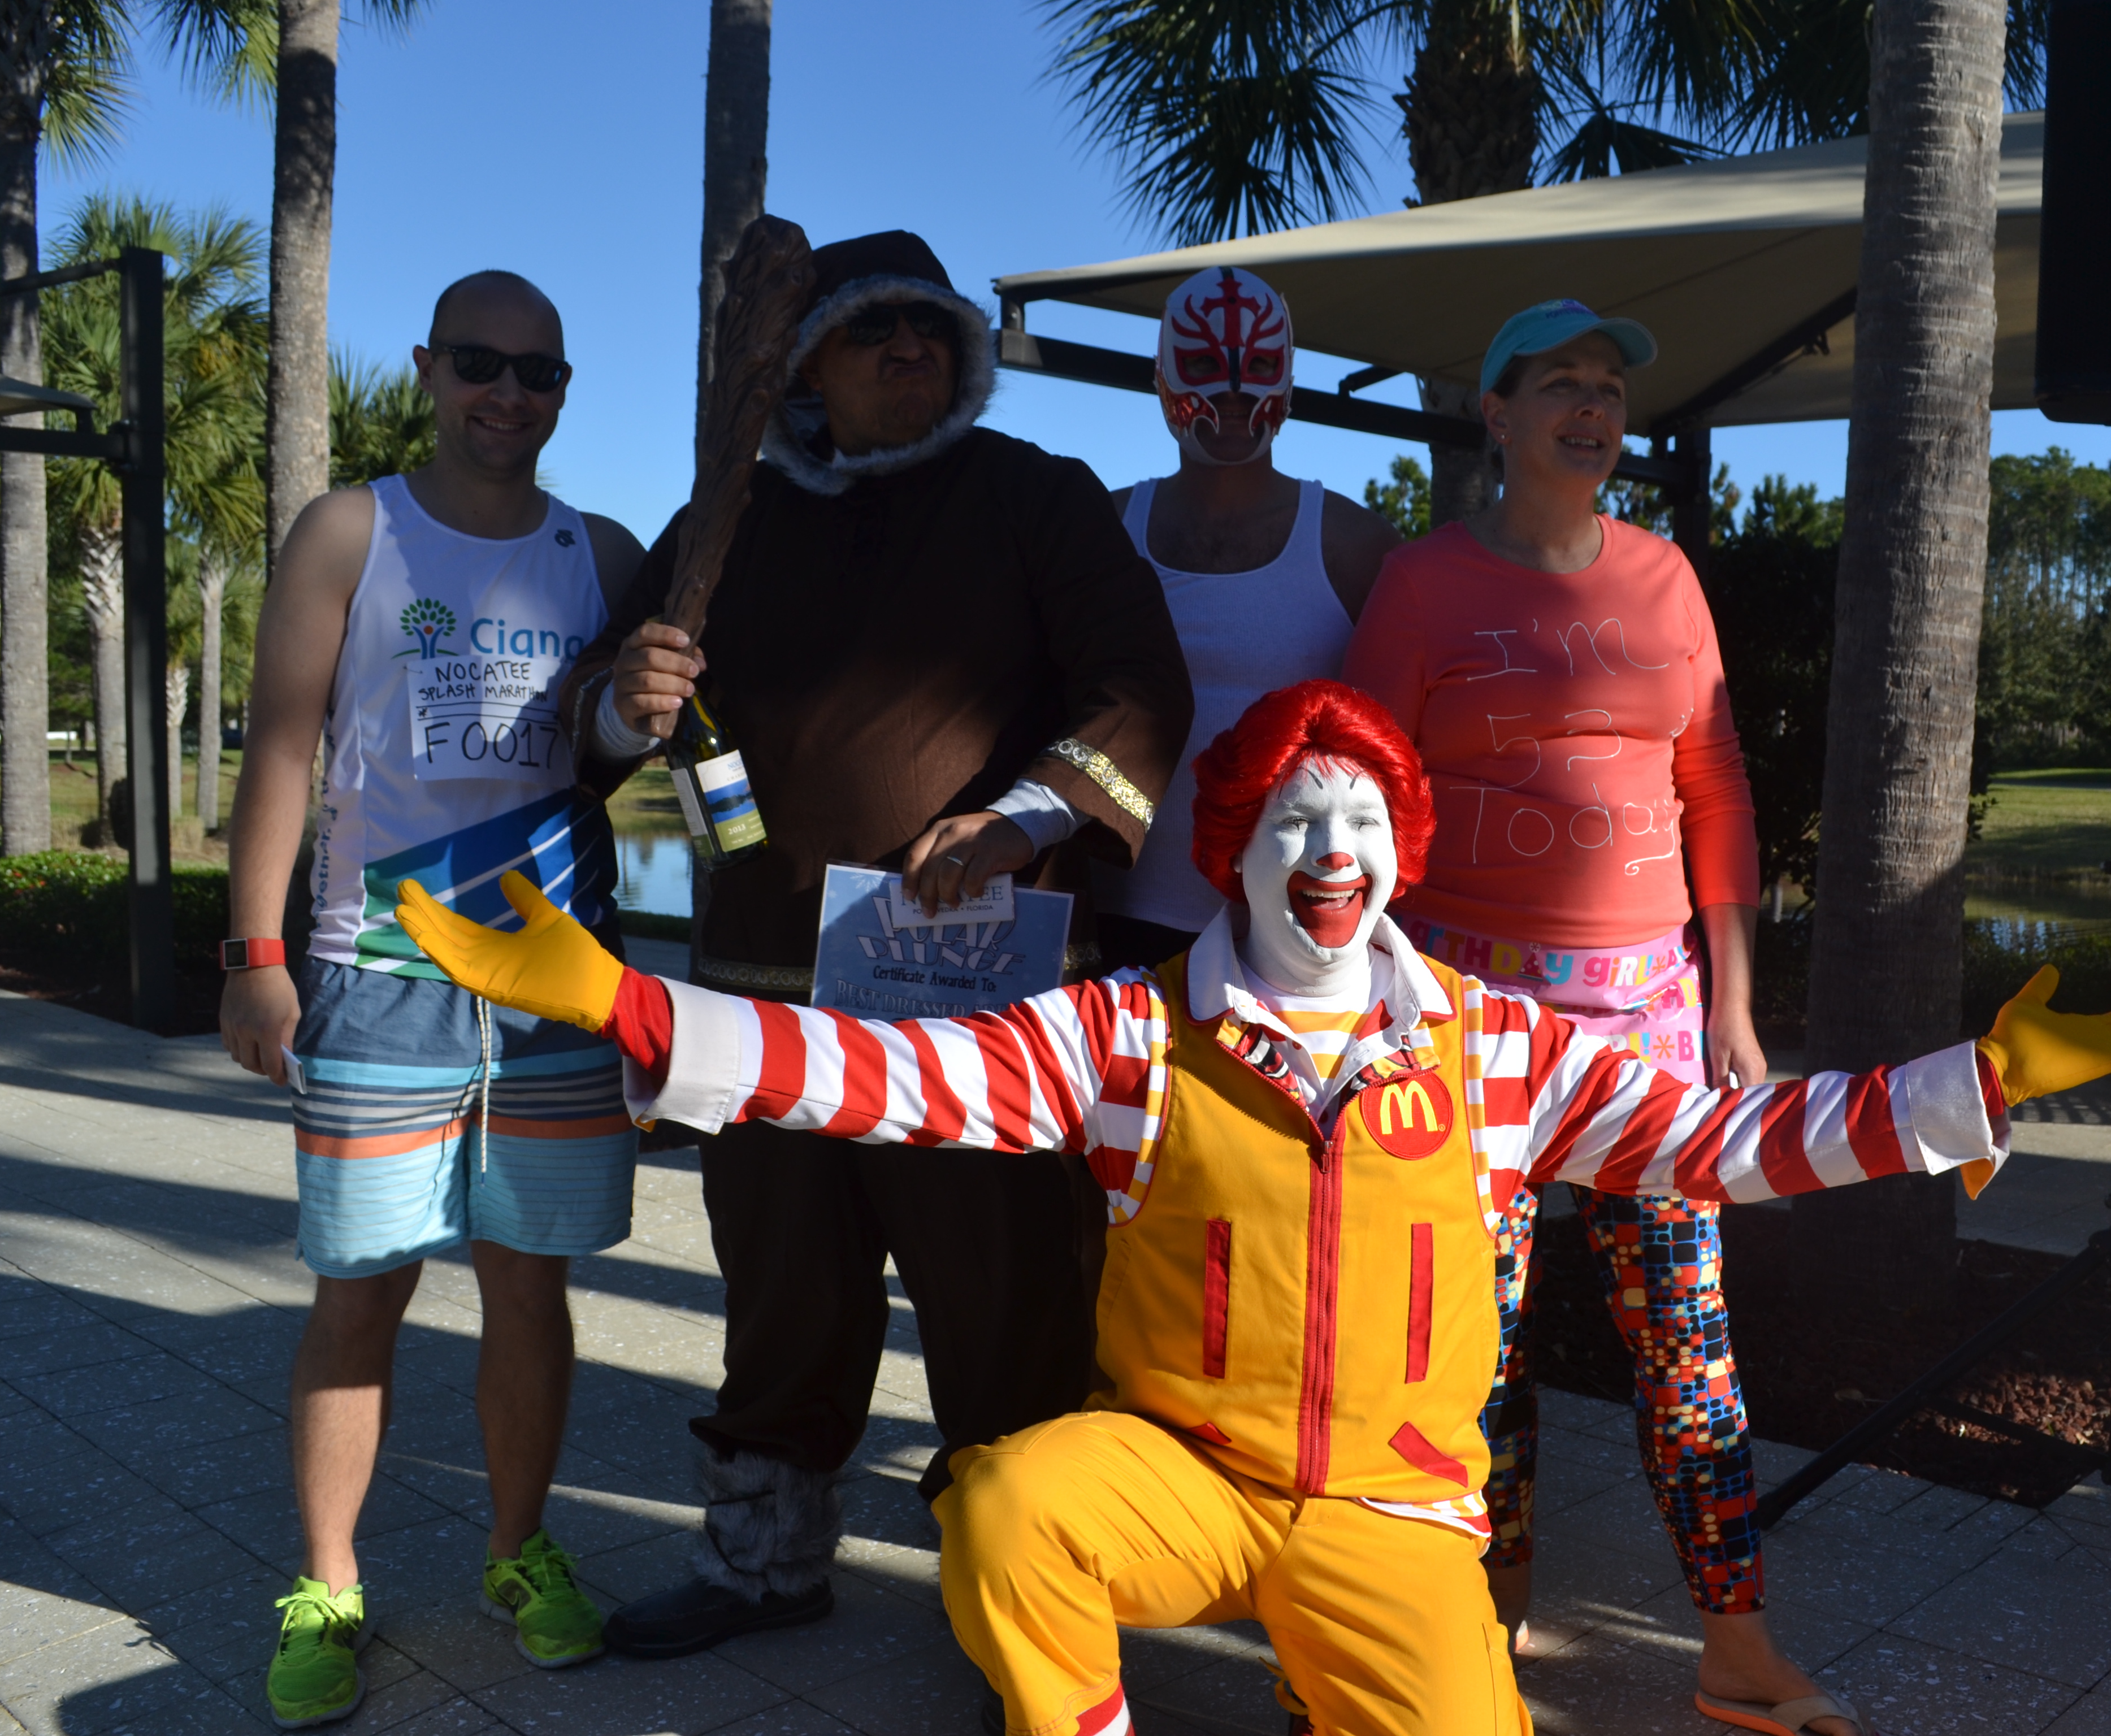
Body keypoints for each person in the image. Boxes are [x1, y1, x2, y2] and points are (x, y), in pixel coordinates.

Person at [393, 678, 2111, 1736]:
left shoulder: (1497, 1051)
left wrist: (1978, 1087)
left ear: (1400, 851)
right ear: (1239, 845)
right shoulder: (1128, 1031)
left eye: (1362, 827)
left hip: (1399, 1518)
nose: (1331, 861)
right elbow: (894, 1078)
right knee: (1007, 1504)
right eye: (1294, 826)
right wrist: (638, 1004)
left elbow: (1722, 1141)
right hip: (1179, 1476)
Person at [557, 228, 1193, 1660]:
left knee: (1007, 1312)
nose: (911, 348)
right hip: (767, 1000)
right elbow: (600, 717)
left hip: (974, 1013)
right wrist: (627, 698)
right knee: (782, 1290)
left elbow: (1140, 685)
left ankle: (1028, 1610)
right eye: (873, 331)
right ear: (803, 367)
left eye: (930, 328)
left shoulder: (1036, 496)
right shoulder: (729, 519)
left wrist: (1023, 821)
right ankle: (766, 1557)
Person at [1340, 297, 1822, 1732]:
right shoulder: (1422, 584)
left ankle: (1736, 1645)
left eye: (1609, 387)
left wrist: (1737, 999)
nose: (1594, 406)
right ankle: (1479, 1632)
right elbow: (1359, 791)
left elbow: (1718, 787)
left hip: (1649, 1029)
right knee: (1467, 1354)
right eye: (1562, 382)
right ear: (1494, 412)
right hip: (1466, 1027)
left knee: (1688, 1339)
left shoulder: (1667, 579)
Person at [219, 270, 649, 1726]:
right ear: (428, 366)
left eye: (540, 373)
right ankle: (327, 1582)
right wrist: (255, 952)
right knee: (361, 1296)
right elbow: (282, 747)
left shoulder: (603, 550)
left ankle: (518, 1552)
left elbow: (628, 745)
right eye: (482, 363)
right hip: (378, 972)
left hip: (547, 988)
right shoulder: (356, 527)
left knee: (531, 1288)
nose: (509, 395)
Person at [1091, 265, 1402, 971]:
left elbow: (1404, 749)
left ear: (1289, 383)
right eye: (1203, 363)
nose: (1234, 390)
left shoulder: (1356, 547)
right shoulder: (1103, 529)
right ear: (1161, 379)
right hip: (1115, 916)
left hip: (1295, 928)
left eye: (1260, 365)